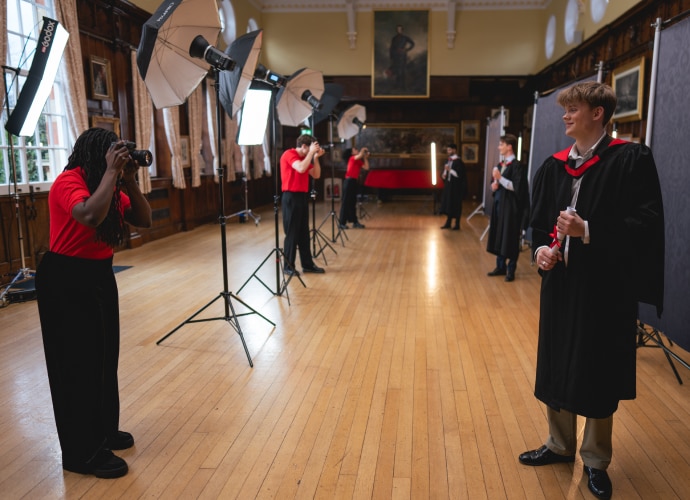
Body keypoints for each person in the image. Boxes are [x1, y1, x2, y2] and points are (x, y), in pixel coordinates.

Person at [520, 82, 664, 500]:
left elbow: (648, 226)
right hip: (562, 283)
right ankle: (559, 444)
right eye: (565, 109)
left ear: (598, 113)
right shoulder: (554, 166)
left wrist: (588, 231)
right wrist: (544, 251)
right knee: (557, 357)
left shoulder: (631, 160)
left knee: (597, 365)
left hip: (606, 285)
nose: (565, 116)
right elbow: (541, 225)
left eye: (573, 109)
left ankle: (597, 459)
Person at [35, 128, 153, 478]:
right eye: (112, 155)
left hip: (99, 275)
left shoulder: (112, 186)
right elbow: (89, 215)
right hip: (65, 279)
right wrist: (113, 174)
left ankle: (101, 432)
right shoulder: (68, 182)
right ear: (95, 156)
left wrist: (129, 180)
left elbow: (144, 219)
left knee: (103, 358)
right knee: (76, 366)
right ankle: (80, 452)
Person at [280, 134, 326, 276]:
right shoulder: (289, 154)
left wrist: (316, 158)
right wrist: (311, 153)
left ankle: (307, 265)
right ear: (304, 146)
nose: (313, 150)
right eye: (311, 147)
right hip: (290, 196)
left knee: (304, 234)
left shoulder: (305, 157)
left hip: (301, 196)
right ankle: (288, 266)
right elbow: (300, 168)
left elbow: (316, 175)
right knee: (292, 233)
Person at [486, 134, 529, 281]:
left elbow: (517, 188)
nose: (499, 147)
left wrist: (500, 179)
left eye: (501, 144)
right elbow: (496, 185)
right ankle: (500, 266)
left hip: (511, 209)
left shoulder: (517, 166)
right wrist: (494, 185)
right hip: (499, 206)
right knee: (499, 235)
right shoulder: (500, 165)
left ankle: (511, 269)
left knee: (510, 237)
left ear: (509, 146)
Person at [339, 146, 370, 229]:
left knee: (353, 202)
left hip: (353, 182)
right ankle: (341, 223)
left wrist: (365, 158)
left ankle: (355, 222)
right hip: (348, 181)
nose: (357, 150)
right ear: (352, 153)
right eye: (355, 149)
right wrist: (363, 150)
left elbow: (366, 167)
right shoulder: (352, 158)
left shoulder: (358, 160)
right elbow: (359, 155)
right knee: (345, 202)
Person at [439, 143, 467, 230]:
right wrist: (443, 175)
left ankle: (457, 224)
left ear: (454, 150)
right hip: (448, 185)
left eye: (450, 150)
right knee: (448, 203)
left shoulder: (459, 162)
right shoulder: (447, 160)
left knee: (456, 204)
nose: (448, 152)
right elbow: (445, 171)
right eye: (447, 150)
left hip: (456, 187)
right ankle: (448, 222)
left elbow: (459, 174)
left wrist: (449, 170)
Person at [389, 25, 414, 90]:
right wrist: (391, 56)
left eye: (400, 29)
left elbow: (412, 44)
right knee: (397, 71)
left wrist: (406, 49)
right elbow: (391, 48)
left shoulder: (405, 38)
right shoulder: (394, 38)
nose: (399, 30)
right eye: (397, 29)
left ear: (402, 30)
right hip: (396, 56)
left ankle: (403, 86)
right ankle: (397, 86)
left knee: (402, 70)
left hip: (402, 56)